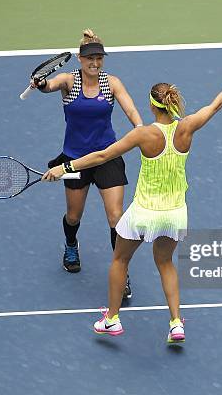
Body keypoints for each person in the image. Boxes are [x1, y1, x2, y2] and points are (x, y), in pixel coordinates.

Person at [43, 64, 222, 342]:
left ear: (151, 105)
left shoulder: (143, 135)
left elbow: (101, 156)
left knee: (120, 259)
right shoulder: (187, 127)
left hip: (144, 213)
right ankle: (176, 323)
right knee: (166, 263)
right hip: (175, 214)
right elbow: (215, 106)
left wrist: (66, 167)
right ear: (171, 103)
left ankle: (111, 319)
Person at [31, 29, 142, 300]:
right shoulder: (69, 81)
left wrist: (140, 129)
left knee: (116, 218)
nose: (95, 62)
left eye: (99, 58)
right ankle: (71, 244)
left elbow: (129, 109)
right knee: (74, 216)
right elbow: (51, 85)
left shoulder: (112, 83)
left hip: (108, 156)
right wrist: (42, 84)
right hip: (75, 159)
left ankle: (121, 272)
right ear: (80, 60)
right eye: (90, 58)